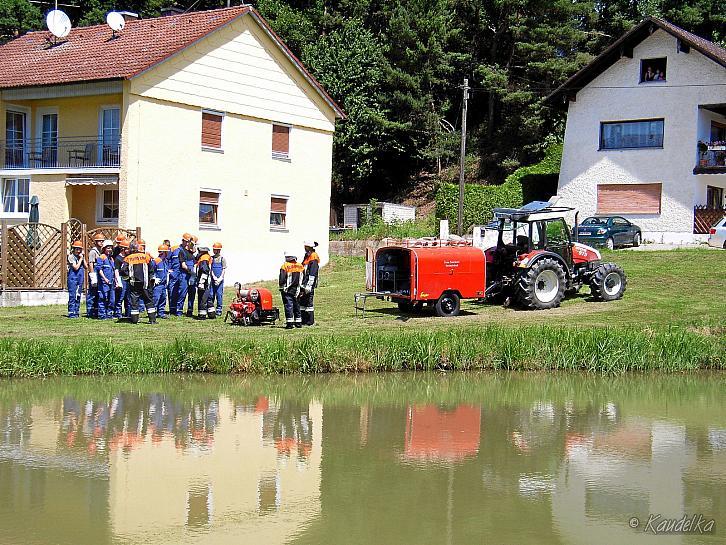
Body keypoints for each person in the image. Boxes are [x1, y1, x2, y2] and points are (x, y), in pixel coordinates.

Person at [121, 240, 157, 324]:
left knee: (134, 302)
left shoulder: (127, 258)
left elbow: (123, 270)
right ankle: (152, 320)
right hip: (145, 283)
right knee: (148, 301)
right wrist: (151, 278)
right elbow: (152, 269)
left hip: (134, 283)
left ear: (130, 249)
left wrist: (127, 278)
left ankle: (134, 321)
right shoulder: (146, 257)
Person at [279, 250, 304, 329]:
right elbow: (304, 278)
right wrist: (302, 290)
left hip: (287, 289)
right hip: (297, 290)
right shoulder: (300, 266)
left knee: (288, 306)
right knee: (297, 306)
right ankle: (298, 322)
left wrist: (281, 287)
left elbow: (282, 278)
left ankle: (289, 323)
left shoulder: (285, 266)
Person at [300, 241, 320, 326]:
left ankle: (310, 321)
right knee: (303, 301)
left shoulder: (313, 257)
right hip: (304, 282)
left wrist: (309, 285)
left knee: (309, 302)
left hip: (309, 283)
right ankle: (303, 319)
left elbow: (313, 272)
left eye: (306, 246)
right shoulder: (307, 256)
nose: (304, 247)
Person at [174, 234, 194, 317]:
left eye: (188, 242)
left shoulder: (191, 252)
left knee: (192, 293)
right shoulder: (181, 252)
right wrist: (190, 271)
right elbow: (183, 265)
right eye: (186, 241)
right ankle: (179, 311)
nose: (187, 243)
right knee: (182, 293)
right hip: (184, 275)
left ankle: (190, 310)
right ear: (183, 241)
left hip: (192, 275)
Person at [95, 240, 116, 320]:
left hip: (111, 282)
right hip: (104, 282)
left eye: (111, 248)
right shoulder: (101, 257)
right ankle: (102, 315)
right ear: (104, 249)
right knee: (103, 298)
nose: (109, 250)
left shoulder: (111, 259)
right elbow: (99, 269)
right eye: (108, 248)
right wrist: (105, 279)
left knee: (112, 299)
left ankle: (109, 314)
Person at [86, 233, 104, 318]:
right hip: (95, 274)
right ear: (96, 242)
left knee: (98, 293)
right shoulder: (93, 252)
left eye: (102, 241)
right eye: (99, 241)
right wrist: (92, 276)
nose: (101, 242)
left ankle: (96, 311)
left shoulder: (101, 251)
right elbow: (90, 263)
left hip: (99, 274)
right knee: (92, 293)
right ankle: (90, 311)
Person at [194, 246, 215, 319]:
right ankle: (211, 314)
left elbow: (205, 270)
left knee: (202, 297)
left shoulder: (204, 258)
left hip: (204, 281)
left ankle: (202, 315)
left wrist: (201, 282)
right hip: (207, 281)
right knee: (208, 297)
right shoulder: (206, 257)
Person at [67, 240, 85, 318]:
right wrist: (80, 259)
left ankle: (76, 311)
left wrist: (83, 258)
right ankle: (71, 312)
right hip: (73, 278)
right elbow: (76, 267)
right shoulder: (71, 257)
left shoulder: (80, 257)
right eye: (76, 249)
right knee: (72, 295)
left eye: (80, 249)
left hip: (80, 278)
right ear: (73, 249)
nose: (78, 251)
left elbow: (86, 266)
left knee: (78, 295)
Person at [114, 238, 131, 319]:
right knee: (120, 297)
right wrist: (118, 281)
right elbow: (116, 270)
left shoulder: (128, 257)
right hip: (121, 278)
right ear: (123, 249)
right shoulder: (118, 258)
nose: (129, 250)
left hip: (128, 279)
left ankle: (128, 313)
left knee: (128, 297)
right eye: (128, 249)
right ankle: (118, 313)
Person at [167, 237, 185, 316]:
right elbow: (167, 260)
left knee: (181, 292)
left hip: (182, 274)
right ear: (183, 241)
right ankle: (172, 310)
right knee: (172, 291)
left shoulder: (186, 251)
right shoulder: (174, 250)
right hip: (174, 274)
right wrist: (168, 270)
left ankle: (179, 310)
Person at [210, 242, 226, 317]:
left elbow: (223, 269)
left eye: (215, 249)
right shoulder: (211, 258)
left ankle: (219, 310)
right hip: (213, 279)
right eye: (213, 249)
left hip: (220, 279)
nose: (214, 250)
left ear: (219, 250)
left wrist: (220, 278)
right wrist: (214, 277)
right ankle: (211, 309)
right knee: (211, 294)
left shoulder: (222, 259)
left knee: (219, 295)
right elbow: (210, 269)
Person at [153, 244, 170, 318]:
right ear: (164, 252)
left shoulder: (165, 261)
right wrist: (153, 278)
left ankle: (161, 313)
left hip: (164, 284)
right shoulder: (156, 261)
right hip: (157, 285)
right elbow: (151, 271)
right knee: (156, 299)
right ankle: (153, 313)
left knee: (163, 299)